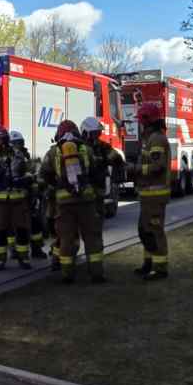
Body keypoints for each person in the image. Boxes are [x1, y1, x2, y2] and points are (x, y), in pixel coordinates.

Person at [40, 120, 100, 283]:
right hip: (86, 201)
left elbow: (43, 175)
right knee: (92, 237)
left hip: (64, 204)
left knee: (66, 239)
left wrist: (55, 186)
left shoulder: (53, 152)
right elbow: (95, 172)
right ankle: (96, 273)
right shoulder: (87, 150)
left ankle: (67, 274)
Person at [0, 128, 32, 270]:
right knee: (0, 230)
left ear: (5, 139)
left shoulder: (17, 154)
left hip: (18, 199)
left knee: (22, 229)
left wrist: (24, 180)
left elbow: (28, 171)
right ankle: (0, 260)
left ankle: (24, 258)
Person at [80, 116, 123, 282]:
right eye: (93, 133)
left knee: (95, 233)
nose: (96, 137)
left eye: (97, 133)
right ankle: (62, 264)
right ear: (85, 133)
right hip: (80, 198)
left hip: (96, 196)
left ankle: (96, 270)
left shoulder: (103, 147)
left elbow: (116, 157)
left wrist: (108, 160)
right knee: (69, 233)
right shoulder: (77, 148)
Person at [131, 100, 170, 280]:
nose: (139, 124)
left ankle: (160, 268)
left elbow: (158, 167)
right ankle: (148, 264)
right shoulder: (150, 138)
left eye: (141, 120)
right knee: (145, 231)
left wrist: (136, 169)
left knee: (154, 231)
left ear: (148, 121)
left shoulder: (157, 139)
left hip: (155, 195)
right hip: (148, 195)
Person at [12, 130, 49, 259]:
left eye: (19, 143)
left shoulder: (26, 158)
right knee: (17, 226)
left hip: (30, 197)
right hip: (17, 198)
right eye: (14, 143)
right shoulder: (9, 159)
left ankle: (36, 249)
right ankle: (16, 251)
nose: (17, 146)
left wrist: (36, 186)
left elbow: (35, 176)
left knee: (35, 224)